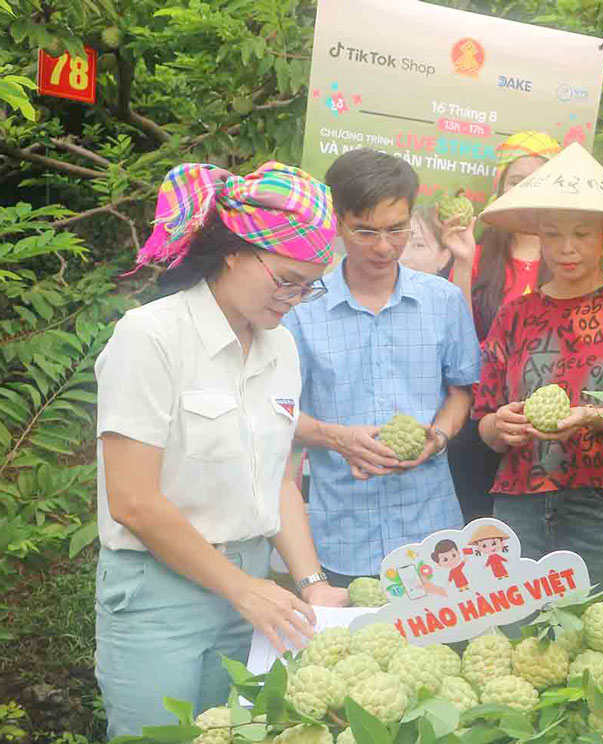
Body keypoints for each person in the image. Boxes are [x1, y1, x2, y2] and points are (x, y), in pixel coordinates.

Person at [94, 161, 348, 738]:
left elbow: (279, 480)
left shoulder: (281, 348)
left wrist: (310, 584)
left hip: (253, 588)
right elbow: (132, 499)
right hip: (160, 594)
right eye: (286, 279)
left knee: (235, 732)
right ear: (233, 251)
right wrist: (240, 589)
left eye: (309, 286)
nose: (294, 299)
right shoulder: (151, 337)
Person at [473, 143, 603, 606]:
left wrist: (589, 416)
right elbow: (484, 418)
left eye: (582, 233)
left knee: (599, 634)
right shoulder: (515, 313)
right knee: (517, 636)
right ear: (539, 238)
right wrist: (499, 426)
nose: (567, 249)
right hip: (519, 501)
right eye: (553, 234)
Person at [284, 148, 481, 587]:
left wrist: (440, 436)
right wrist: (336, 438)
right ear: (338, 223)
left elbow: (461, 391)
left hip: (432, 528)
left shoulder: (443, 301)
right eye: (366, 231)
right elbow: (274, 411)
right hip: (341, 533)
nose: (384, 246)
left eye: (397, 229)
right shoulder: (300, 309)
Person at [446, 131, 562, 524]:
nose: (528, 189)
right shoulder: (478, 256)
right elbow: (458, 336)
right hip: (481, 414)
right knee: (477, 526)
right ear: (501, 188)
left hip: (546, 418)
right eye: (517, 181)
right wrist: (462, 262)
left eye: (540, 179)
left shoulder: (570, 258)